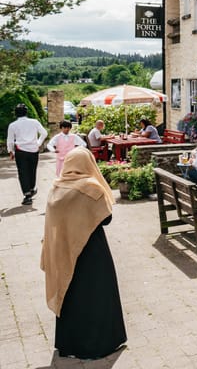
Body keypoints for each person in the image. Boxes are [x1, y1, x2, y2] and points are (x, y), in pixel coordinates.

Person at [40, 147, 126, 360]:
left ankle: (69, 344)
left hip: (65, 250)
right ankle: (99, 344)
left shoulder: (56, 188)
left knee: (70, 294)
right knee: (97, 295)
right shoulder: (91, 188)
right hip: (92, 252)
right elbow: (106, 218)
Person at [6, 103, 48, 205]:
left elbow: (10, 140)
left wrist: (11, 151)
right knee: (32, 171)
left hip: (21, 151)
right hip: (34, 150)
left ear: (16, 113)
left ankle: (27, 195)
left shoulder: (13, 125)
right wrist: (38, 143)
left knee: (23, 172)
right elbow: (44, 133)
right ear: (26, 112)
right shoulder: (34, 122)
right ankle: (31, 188)